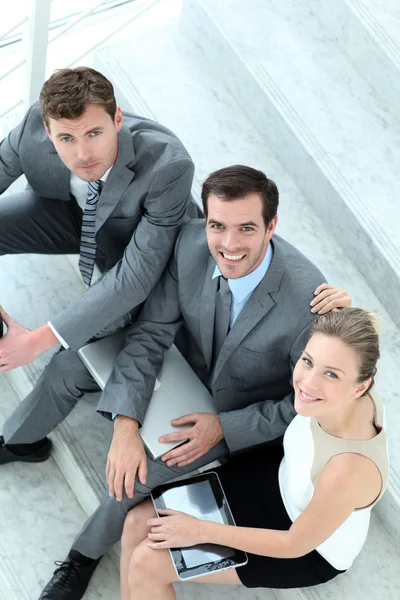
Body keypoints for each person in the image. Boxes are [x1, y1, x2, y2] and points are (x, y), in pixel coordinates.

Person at [1, 165, 350, 600]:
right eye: (217, 225)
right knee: (69, 364)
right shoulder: (189, 244)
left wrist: (224, 427)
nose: (229, 244)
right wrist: (125, 423)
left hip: (231, 417)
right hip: (179, 365)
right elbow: (151, 333)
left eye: (246, 228)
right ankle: (16, 442)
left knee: (137, 473)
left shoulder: (308, 304)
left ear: (271, 226)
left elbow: (305, 407)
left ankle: (80, 558)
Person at [119, 308, 388, 599]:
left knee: (148, 562)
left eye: (331, 374)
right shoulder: (337, 392)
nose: (308, 383)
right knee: (137, 523)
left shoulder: (349, 470)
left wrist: (201, 530)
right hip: (277, 480)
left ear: (361, 387)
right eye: (308, 361)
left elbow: (295, 544)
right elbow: (350, 338)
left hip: (305, 546)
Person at [0, 66, 198, 371]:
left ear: (117, 119)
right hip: (67, 213)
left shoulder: (169, 167)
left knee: (81, 351)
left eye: (94, 133)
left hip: (135, 249)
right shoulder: (32, 127)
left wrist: (36, 340)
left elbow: (134, 278)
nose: (83, 154)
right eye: (67, 138)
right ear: (48, 131)